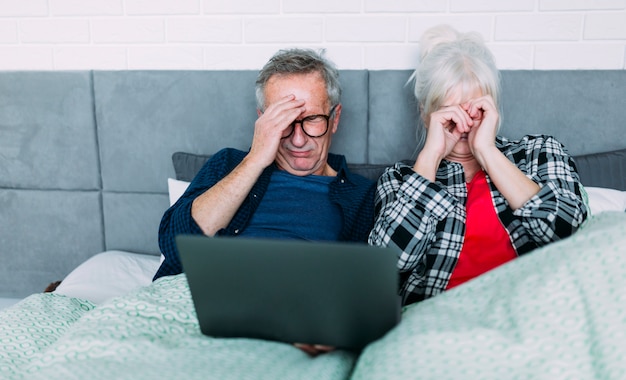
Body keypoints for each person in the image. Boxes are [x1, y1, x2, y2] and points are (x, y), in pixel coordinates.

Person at [154, 48, 376, 355]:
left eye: (311, 119)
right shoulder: (228, 164)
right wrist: (256, 158)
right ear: (262, 121)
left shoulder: (360, 195)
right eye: (283, 122)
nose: (298, 140)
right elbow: (174, 246)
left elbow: (363, 290)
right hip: (193, 311)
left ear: (335, 118)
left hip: (288, 328)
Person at [368, 25, 588, 306]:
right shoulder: (400, 179)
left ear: (493, 108)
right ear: (425, 113)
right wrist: (431, 156)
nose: (464, 125)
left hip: (529, 309)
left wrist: (486, 151)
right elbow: (389, 264)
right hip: (437, 321)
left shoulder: (539, 153)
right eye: (450, 114)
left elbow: (567, 230)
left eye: (476, 111)